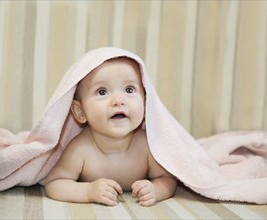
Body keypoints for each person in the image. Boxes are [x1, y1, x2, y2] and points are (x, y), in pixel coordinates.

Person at [45, 57, 177, 206]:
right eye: (102, 92)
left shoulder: (147, 145)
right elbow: (55, 183)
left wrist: (156, 190)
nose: (118, 100)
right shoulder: (80, 149)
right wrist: (88, 191)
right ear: (80, 111)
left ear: (146, 103)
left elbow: (168, 178)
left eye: (129, 89)